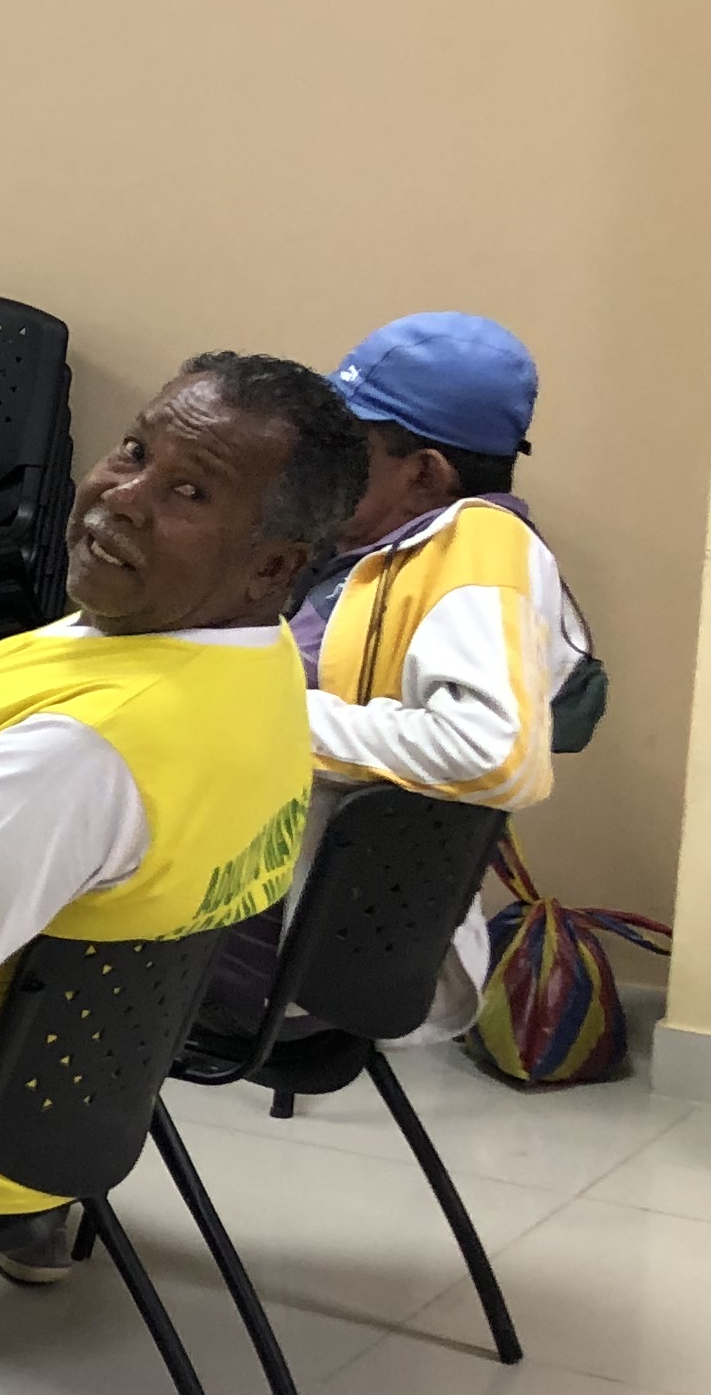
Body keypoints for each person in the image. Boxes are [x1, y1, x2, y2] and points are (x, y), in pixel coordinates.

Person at [0, 356, 366, 1370]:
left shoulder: (93, 745)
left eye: (189, 492)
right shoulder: (252, 662)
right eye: (134, 451)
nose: (122, 496)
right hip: (48, 1119)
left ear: (272, 567)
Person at [203, 312, 589, 1034]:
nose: (322, 466)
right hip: (270, 904)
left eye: (352, 449)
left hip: (299, 952)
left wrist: (252, 711)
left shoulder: (481, 547)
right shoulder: (387, 550)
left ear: (425, 473)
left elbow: (493, 753)